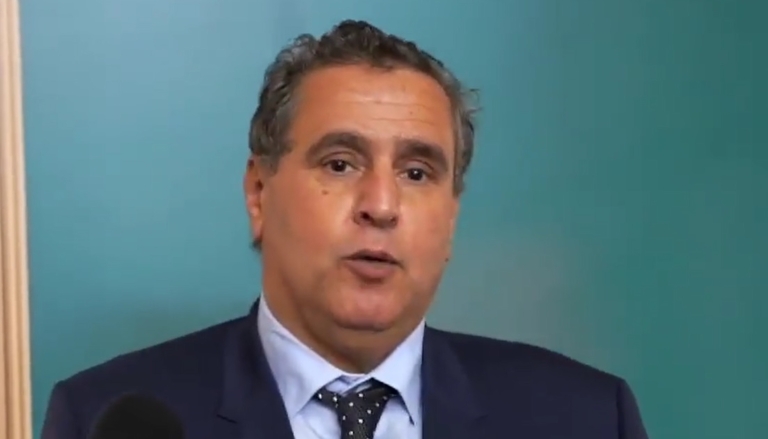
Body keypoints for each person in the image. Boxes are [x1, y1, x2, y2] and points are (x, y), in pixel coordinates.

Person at [41, 19, 648, 439]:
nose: (381, 205)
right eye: (340, 164)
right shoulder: (105, 418)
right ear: (259, 193)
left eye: (416, 172)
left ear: (452, 216)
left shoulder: (586, 419)